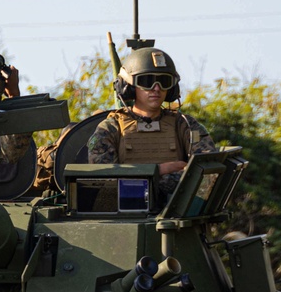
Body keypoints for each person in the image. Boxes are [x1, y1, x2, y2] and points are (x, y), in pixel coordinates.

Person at [87, 44, 215, 193]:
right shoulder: (110, 129)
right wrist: (160, 170)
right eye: (147, 81)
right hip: (128, 213)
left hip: (175, 211)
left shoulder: (185, 125)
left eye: (164, 82)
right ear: (128, 86)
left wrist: (138, 178)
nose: (156, 88)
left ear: (172, 88)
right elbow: (104, 180)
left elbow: (206, 171)